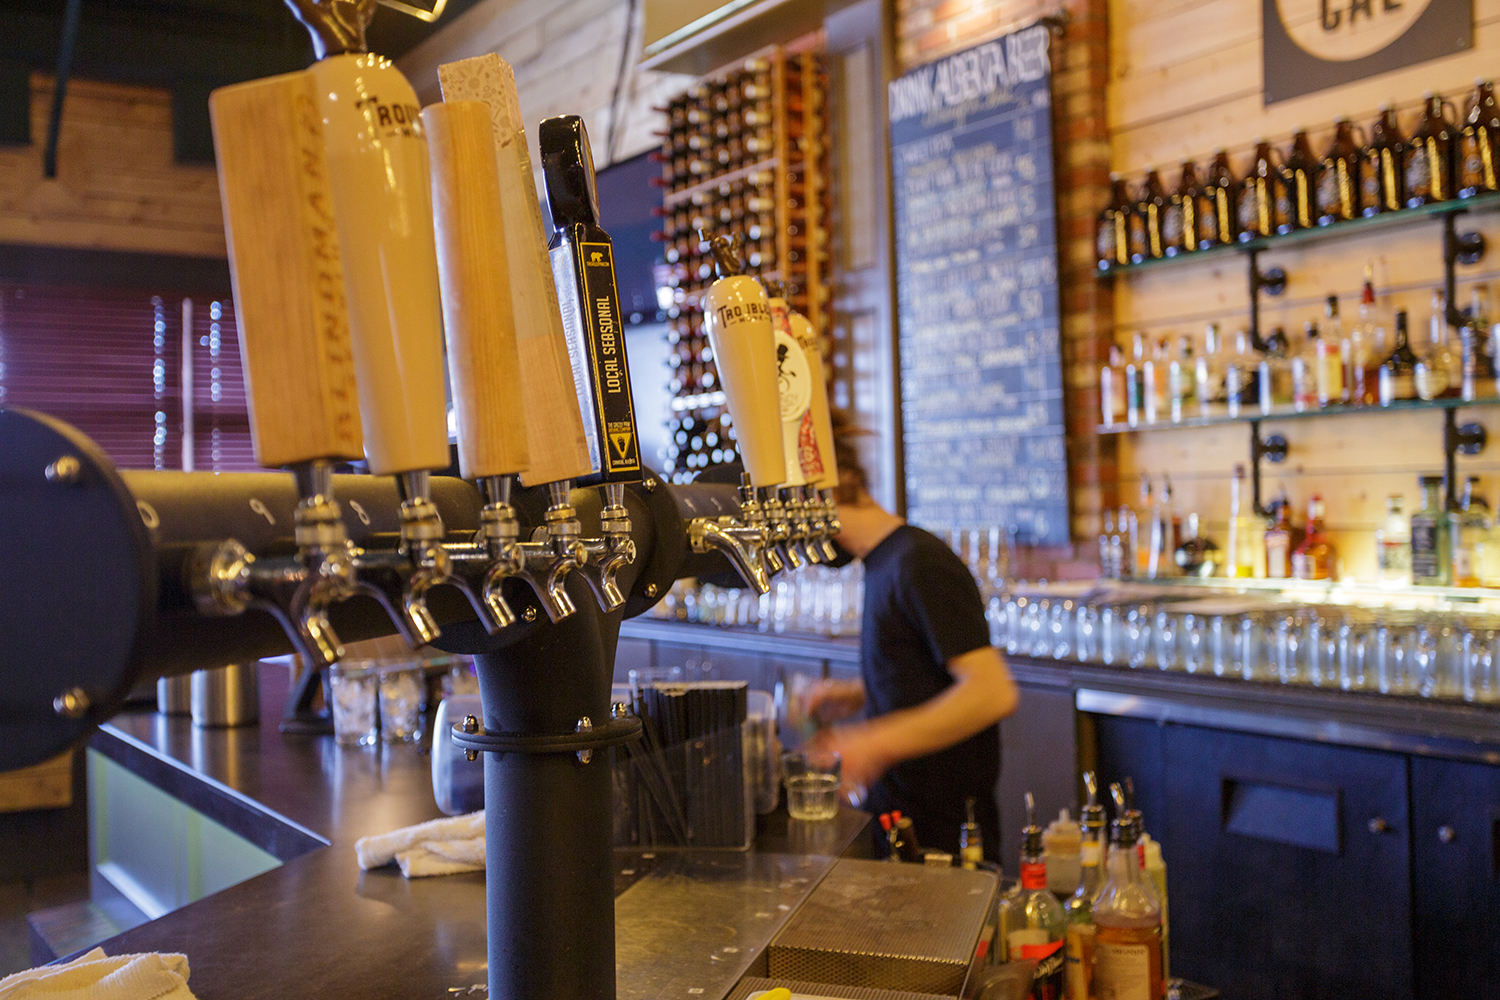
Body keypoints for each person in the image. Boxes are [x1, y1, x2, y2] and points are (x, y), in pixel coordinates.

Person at [806, 413, 1018, 859]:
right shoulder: (884, 563)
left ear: (825, 488)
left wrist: (873, 742)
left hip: (948, 837)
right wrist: (862, 692)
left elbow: (992, 691)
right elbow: (931, 672)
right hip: (904, 819)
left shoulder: (920, 562)